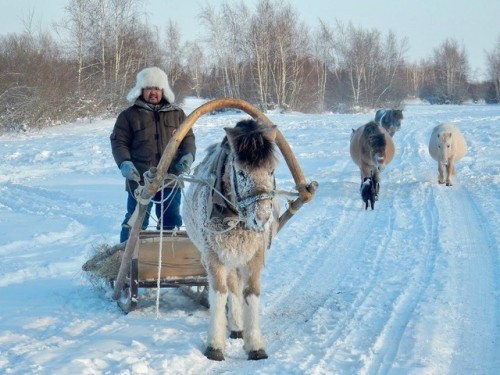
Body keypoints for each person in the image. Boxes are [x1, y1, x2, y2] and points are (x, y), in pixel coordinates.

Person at [110, 67, 196, 243]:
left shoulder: (177, 114)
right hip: (140, 178)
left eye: (157, 88)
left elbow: (188, 138)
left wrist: (188, 156)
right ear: (141, 90)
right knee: (135, 221)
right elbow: (119, 142)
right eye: (149, 88)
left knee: (171, 220)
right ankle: (125, 259)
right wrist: (124, 163)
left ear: (163, 90)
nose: (153, 93)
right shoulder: (128, 115)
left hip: (171, 176)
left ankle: (169, 257)